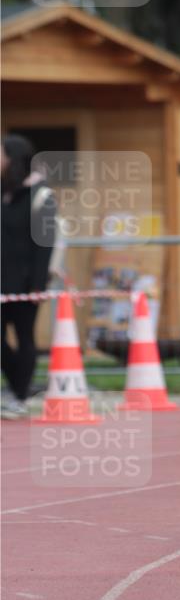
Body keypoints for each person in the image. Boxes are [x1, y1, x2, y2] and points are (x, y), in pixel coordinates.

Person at [1, 135, 56, 419]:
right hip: (1, 281)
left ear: (14, 158)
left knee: (24, 337)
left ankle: (20, 395)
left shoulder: (41, 195)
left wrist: (37, 284)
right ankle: (19, 385)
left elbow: (45, 243)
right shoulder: (3, 191)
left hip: (25, 283)